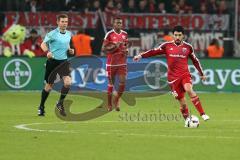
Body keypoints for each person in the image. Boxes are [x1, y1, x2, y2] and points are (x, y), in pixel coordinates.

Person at [133, 25, 210, 124]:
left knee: (189, 89)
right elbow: (154, 52)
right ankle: (187, 121)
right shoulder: (167, 46)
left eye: (179, 35)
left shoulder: (188, 47)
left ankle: (203, 114)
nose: (177, 37)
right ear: (173, 35)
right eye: (176, 35)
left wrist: (201, 73)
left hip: (184, 75)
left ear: (183, 36)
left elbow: (195, 60)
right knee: (183, 104)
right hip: (173, 80)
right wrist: (141, 55)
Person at [38, 14, 74, 116]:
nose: (64, 24)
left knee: (68, 82)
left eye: (66, 22)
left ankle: (60, 103)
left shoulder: (69, 34)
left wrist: (70, 50)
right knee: (49, 86)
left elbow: (66, 44)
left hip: (63, 62)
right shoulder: (52, 34)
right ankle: (41, 106)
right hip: (52, 62)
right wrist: (47, 52)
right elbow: (43, 44)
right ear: (58, 22)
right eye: (62, 21)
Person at [102, 17, 128, 111]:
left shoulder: (125, 34)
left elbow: (125, 46)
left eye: (120, 23)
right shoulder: (109, 34)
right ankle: (109, 104)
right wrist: (115, 46)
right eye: (117, 23)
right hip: (111, 63)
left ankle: (116, 100)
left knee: (122, 83)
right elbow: (103, 49)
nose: (119, 25)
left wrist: (126, 50)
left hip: (122, 62)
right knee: (111, 84)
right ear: (113, 24)